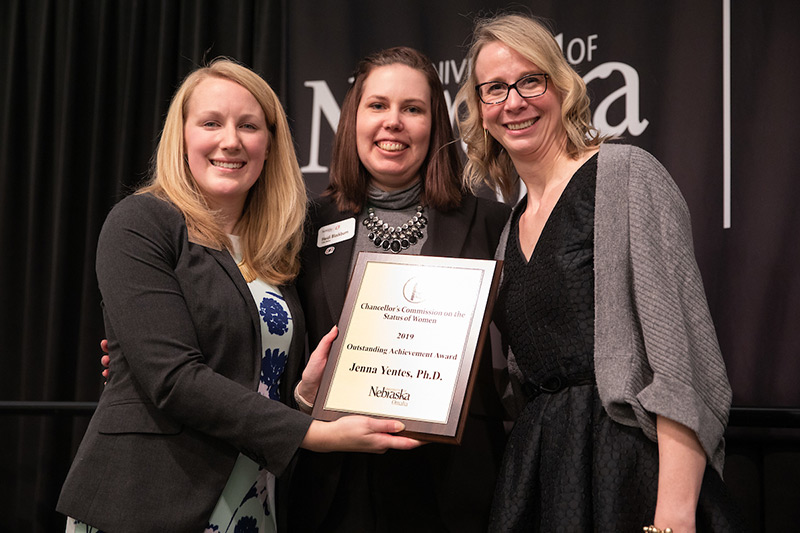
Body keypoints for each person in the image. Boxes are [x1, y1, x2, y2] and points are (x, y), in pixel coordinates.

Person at [57, 58, 420, 533]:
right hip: (145, 500)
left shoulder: (281, 249)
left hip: (252, 502)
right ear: (182, 136)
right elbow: (172, 379)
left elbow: (255, 380)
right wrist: (314, 434)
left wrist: (304, 396)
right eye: (211, 122)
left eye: (248, 125)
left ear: (268, 145)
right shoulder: (140, 223)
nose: (230, 141)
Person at [455, 13, 745, 533]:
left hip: (629, 472)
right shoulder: (509, 230)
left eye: (529, 80)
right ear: (480, 110)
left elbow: (682, 365)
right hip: (541, 476)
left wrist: (673, 516)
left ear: (560, 87)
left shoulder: (625, 174)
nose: (513, 102)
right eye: (493, 89)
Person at [287, 46, 511, 532]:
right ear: (353, 120)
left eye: (412, 109)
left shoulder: (492, 223)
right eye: (378, 105)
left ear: (435, 126)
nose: (394, 122)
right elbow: (264, 332)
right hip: (338, 485)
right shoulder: (303, 227)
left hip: (453, 486)